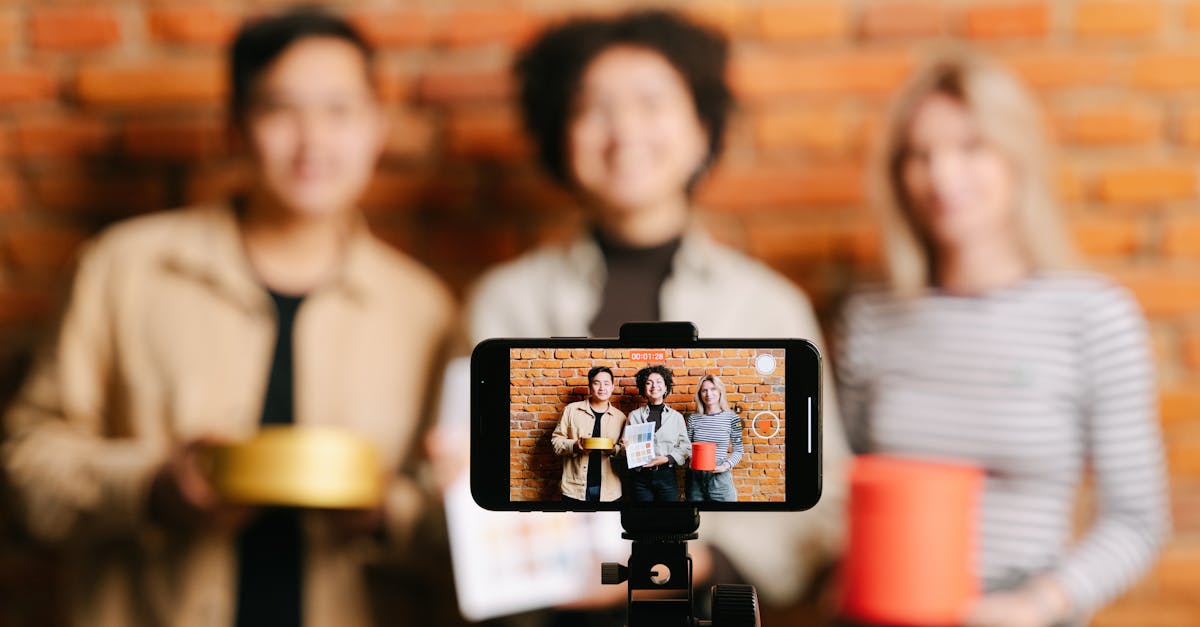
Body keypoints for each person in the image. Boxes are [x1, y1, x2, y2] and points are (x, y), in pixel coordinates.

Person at [1, 7, 456, 627]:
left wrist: (385, 512)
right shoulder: (123, 269)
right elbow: (26, 468)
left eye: (339, 111)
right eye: (280, 110)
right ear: (235, 127)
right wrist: (153, 488)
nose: (313, 141)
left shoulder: (424, 310)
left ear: (378, 127)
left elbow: (452, 521)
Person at [463, 8, 850, 616]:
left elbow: (823, 508)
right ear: (560, 135)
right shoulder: (505, 301)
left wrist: (694, 563)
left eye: (651, 103)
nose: (624, 130)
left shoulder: (769, 306)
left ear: (702, 129)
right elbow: (463, 494)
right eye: (594, 108)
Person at [836, 46, 1169, 627]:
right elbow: (845, 488)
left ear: (1017, 158)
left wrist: (1036, 606)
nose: (942, 176)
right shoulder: (871, 317)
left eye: (971, 147)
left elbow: (1136, 519)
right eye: (920, 155)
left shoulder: (1094, 316)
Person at [551, 366, 627, 502]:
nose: (602, 388)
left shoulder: (621, 417)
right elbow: (556, 442)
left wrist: (613, 450)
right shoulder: (571, 410)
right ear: (590, 387)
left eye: (606, 383)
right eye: (596, 383)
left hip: (610, 490)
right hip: (574, 489)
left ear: (612, 387)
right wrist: (575, 446)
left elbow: (624, 452)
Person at [622, 365, 689, 502]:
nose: (654, 386)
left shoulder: (676, 417)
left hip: (666, 475)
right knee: (643, 514)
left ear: (665, 387)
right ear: (643, 388)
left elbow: (685, 447)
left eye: (659, 382)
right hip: (640, 476)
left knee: (668, 514)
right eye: (649, 383)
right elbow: (624, 448)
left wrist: (667, 458)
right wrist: (626, 448)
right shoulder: (634, 416)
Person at [686, 374, 742, 502]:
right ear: (700, 394)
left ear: (720, 392)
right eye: (704, 390)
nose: (708, 394)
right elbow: (687, 445)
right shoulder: (693, 419)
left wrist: (726, 465)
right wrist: (691, 458)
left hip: (720, 477)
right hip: (695, 478)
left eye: (713, 389)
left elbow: (738, 450)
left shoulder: (732, 418)